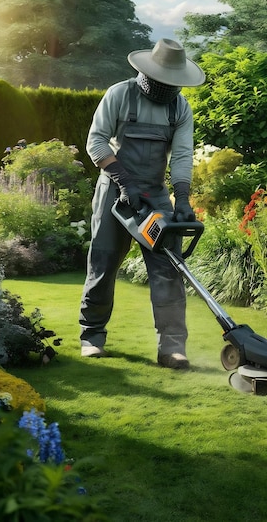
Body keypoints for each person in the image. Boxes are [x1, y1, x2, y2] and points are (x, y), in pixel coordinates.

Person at [79, 38, 205, 369]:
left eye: (174, 84)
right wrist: (123, 180)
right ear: (148, 73)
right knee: (104, 263)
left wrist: (182, 197)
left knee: (167, 269)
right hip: (114, 192)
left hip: (155, 195)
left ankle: (172, 348)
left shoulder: (180, 108)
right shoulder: (120, 94)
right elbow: (96, 140)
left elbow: (181, 155)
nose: (169, 88)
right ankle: (92, 336)